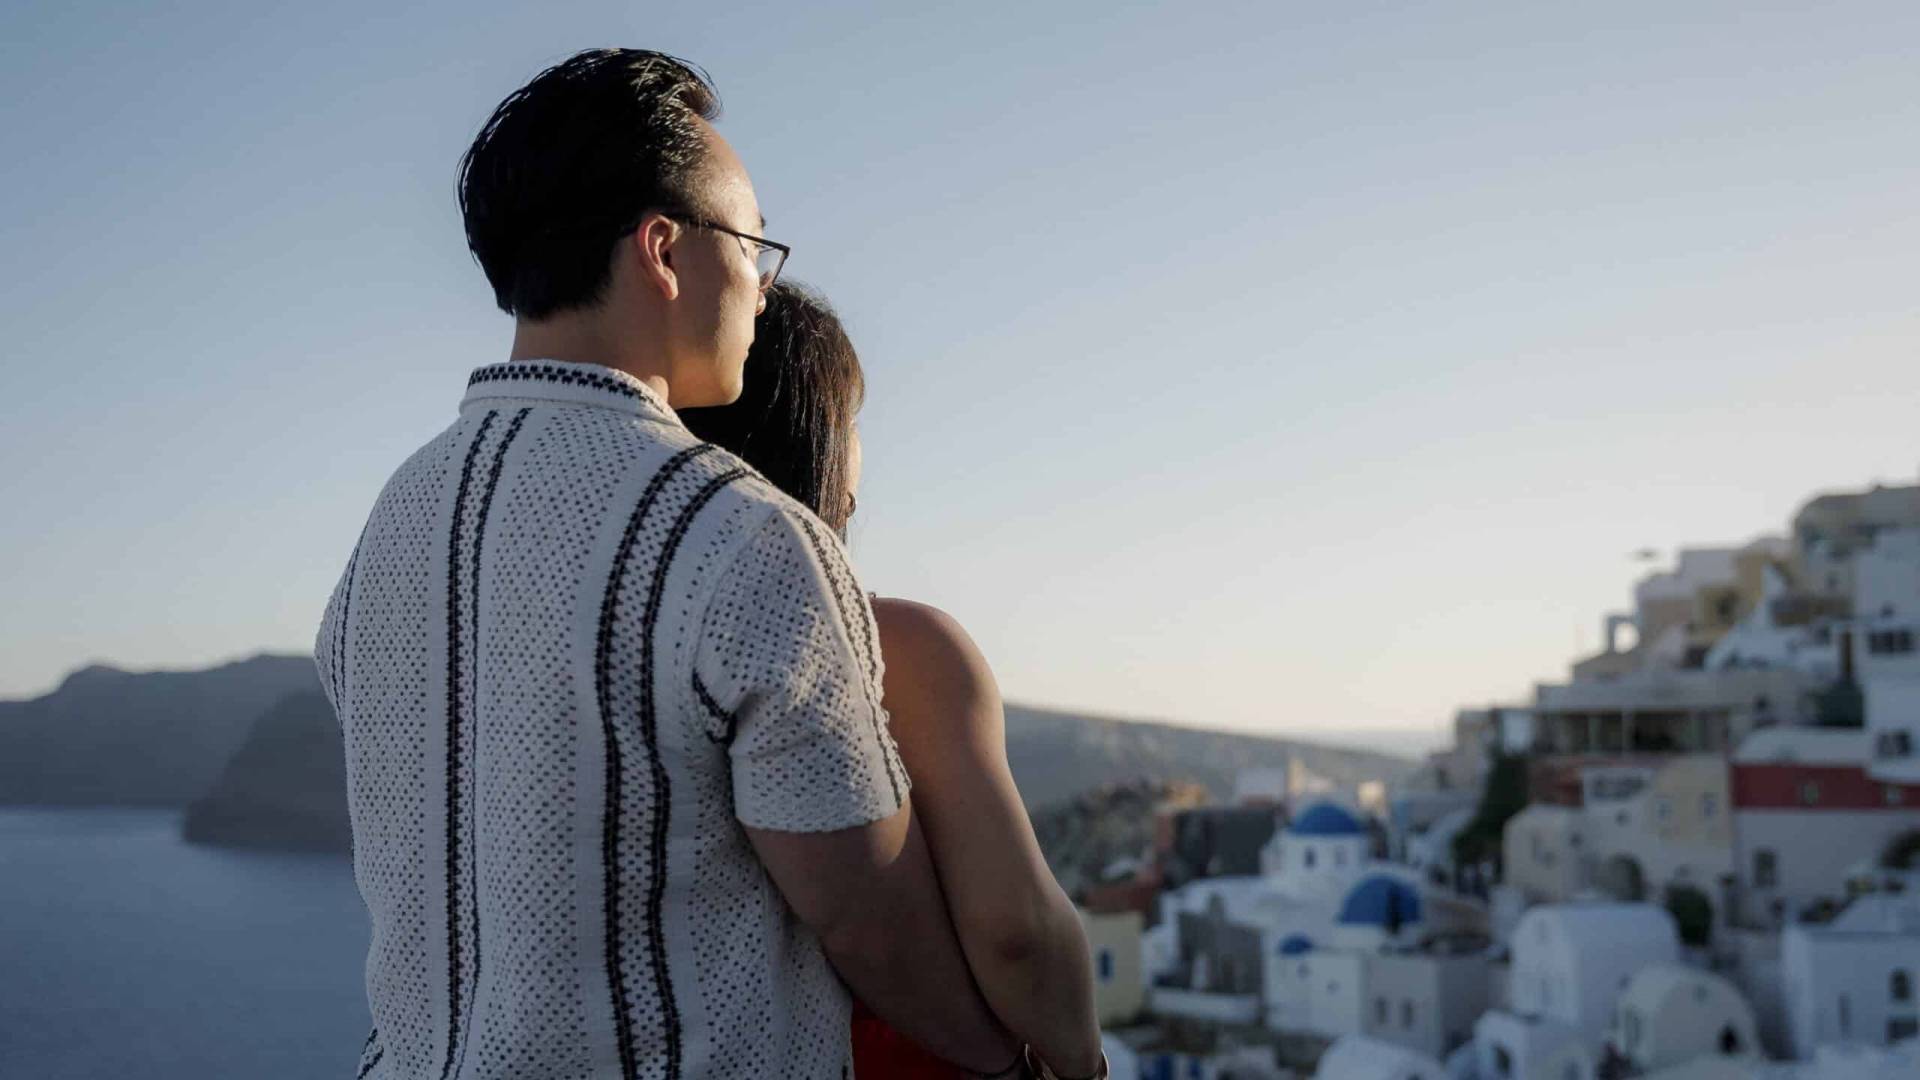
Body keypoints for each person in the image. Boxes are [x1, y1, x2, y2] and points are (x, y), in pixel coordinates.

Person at [313, 50, 1019, 1079]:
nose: (765, 292)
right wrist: (1013, 1063)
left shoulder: (391, 523)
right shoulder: (743, 533)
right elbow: (870, 924)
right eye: (754, 247)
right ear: (663, 250)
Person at [682, 283, 1108, 1080]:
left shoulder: (640, 639)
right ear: (816, 439)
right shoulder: (902, 648)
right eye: (851, 423)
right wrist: (1082, 1066)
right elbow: (1015, 931)